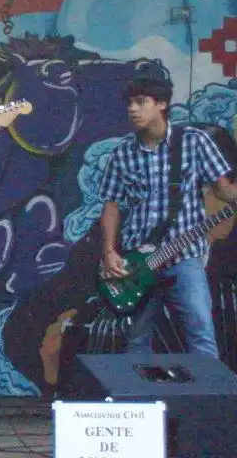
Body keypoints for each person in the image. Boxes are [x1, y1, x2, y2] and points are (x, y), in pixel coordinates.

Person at [98, 74, 237, 357]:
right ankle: (140, 388)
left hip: (184, 257)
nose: (132, 109)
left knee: (201, 336)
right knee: (136, 343)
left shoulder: (194, 142)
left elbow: (223, 191)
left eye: (141, 102)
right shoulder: (122, 153)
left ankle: (205, 387)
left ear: (161, 104)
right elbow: (111, 205)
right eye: (129, 103)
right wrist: (109, 251)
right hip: (137, 262)